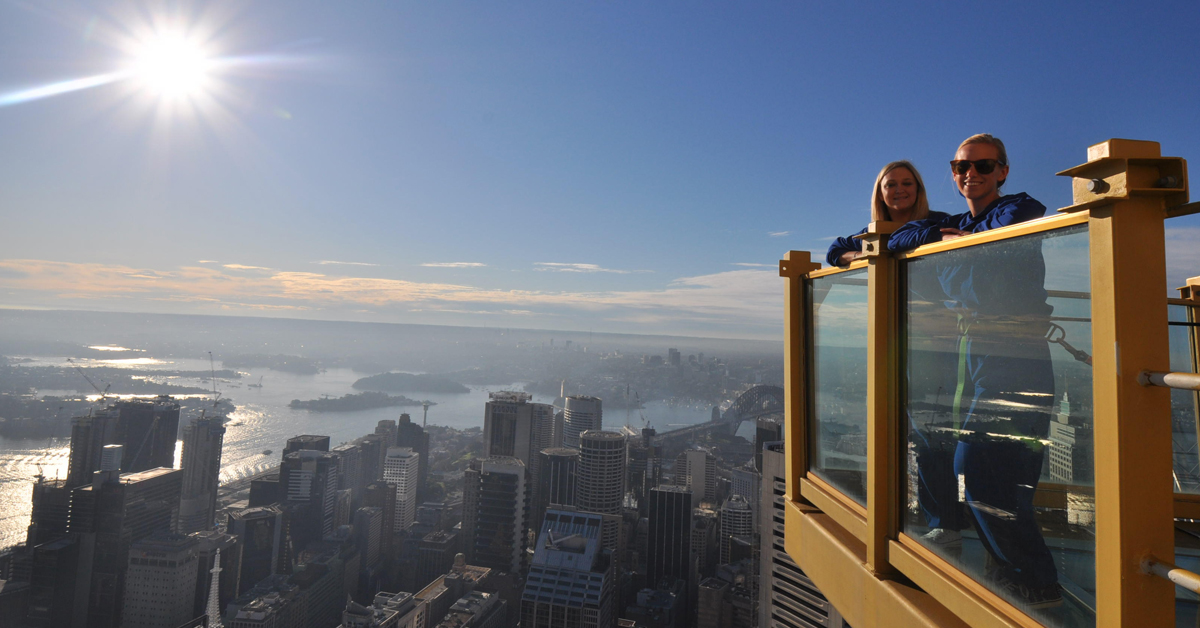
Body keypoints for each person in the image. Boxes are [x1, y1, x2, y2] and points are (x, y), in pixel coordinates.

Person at [889, 134, 1061, 609]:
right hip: (974, 354)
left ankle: (1038, 582)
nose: (971, 174)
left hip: (1016, 355)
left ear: (1002, 171)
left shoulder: (1018, 206)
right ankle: (1012, 571)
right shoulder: (951, 223)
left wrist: (962, 239)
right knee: (1005, 474)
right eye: (961, 166)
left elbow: (1016, 220)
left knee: (978, 466)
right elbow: (897, 238)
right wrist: (938, 236)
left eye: (984, 166)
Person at [825, 160, 947, 267]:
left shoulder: (939, 222)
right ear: (880, 194)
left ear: (918, 189)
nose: (899, 190)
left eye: (907, 183)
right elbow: (834, 252)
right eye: (891, 185)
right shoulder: (874, 235)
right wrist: (862, 255)